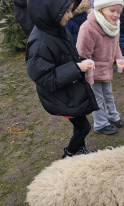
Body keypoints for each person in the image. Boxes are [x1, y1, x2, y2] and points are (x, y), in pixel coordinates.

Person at [26, 0, 99, 158]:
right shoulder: (39, 43)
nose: (71, 15)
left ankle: (79, 149)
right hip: (58, 97)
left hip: (68, 89)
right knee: (83, 127)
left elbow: (67, 56)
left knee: (80, 125)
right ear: (52, 12)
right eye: (67, 11)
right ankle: (70, 154)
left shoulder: (58, 30)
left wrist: (80, 61)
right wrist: (76, 68)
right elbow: (45, 78)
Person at [76, 0, 124, 135]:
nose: (116, 14)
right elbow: (82, 54)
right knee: (97, 99)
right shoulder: (88, 28)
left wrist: (119, 58)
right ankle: (100, 124)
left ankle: (112, 116)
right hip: (93, 73)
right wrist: (88, 75)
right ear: (101, 9)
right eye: (112, 10)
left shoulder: (114, 26)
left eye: (118, 11)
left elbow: (116, 46)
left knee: (108, 95)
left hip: (106, 70)